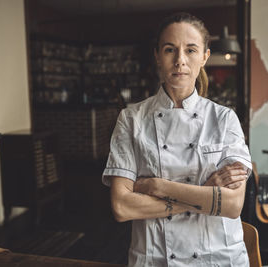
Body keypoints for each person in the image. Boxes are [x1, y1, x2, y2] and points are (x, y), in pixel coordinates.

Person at [102, 12, 252, 267]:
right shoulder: (131, 119)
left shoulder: (224, 119)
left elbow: (233, 205)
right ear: (157, 56)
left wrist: (159, 187)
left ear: (205, 56)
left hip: (218, 257)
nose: (180, 60)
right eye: (170, 49)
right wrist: (206, 195)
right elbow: (122, 207)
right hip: (156, 257)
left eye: (191, 50)